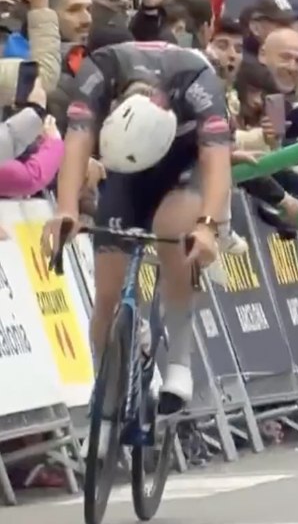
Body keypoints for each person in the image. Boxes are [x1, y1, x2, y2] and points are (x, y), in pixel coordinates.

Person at [43, 41, 231, 453]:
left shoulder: (196, 80)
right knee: (107, 297)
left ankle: (179, 358)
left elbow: (217, 163)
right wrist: (67, 209)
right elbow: (76, 141)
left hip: (183, 167)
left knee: (176, 232)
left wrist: (208, 227)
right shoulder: (100, 69)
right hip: (126, 171)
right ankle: (106, 400)